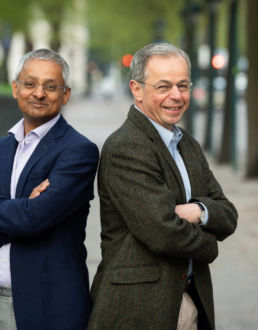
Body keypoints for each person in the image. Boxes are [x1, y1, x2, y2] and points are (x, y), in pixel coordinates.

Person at [87, 43, 238, 330]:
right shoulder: (126, 146)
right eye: (164, 86)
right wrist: (209, 246)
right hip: (137, 309)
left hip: (189, 300)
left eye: (183, 85)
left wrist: (197, 211)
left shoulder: (187, 145)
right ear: (136, 89)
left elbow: (228, 214)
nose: (176, 96)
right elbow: (163, 232)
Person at [0, 48, 99, 330]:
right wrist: (22, 212)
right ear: (15, 88)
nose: (39, 93)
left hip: (48, 310)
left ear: (65, 95)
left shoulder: (78, 151)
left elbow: (33, 218)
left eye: (50, 86)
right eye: (30, 84)